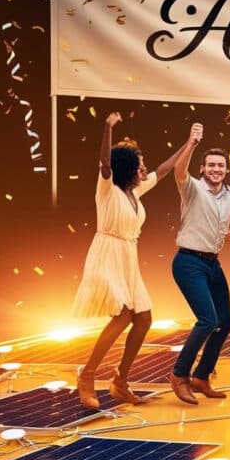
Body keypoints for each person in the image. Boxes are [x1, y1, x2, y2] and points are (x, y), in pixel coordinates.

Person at [72, 112, 201, 409]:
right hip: (107, 254)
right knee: (122, 315)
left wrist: (189, 143)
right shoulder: (107, 189)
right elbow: (105, 163)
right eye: (140, 164)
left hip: (127, 257)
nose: (144, 168)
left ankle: (120, 379)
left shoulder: (135, 192)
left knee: (143, 319)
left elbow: (165, 170)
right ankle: (87, 374)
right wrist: (107, 127)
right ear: (128, 167)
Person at [167, 146, 230, 405]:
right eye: (211, 165)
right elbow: (179, 170)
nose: (216, 169)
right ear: (202, 168)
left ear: (227, 170)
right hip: (188, 261)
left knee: (225, 321)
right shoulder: (192, 188)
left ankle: (201, 376)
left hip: (213, 263)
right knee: (207, 320)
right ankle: (179, 375)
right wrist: (192, 142)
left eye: (220, 166)